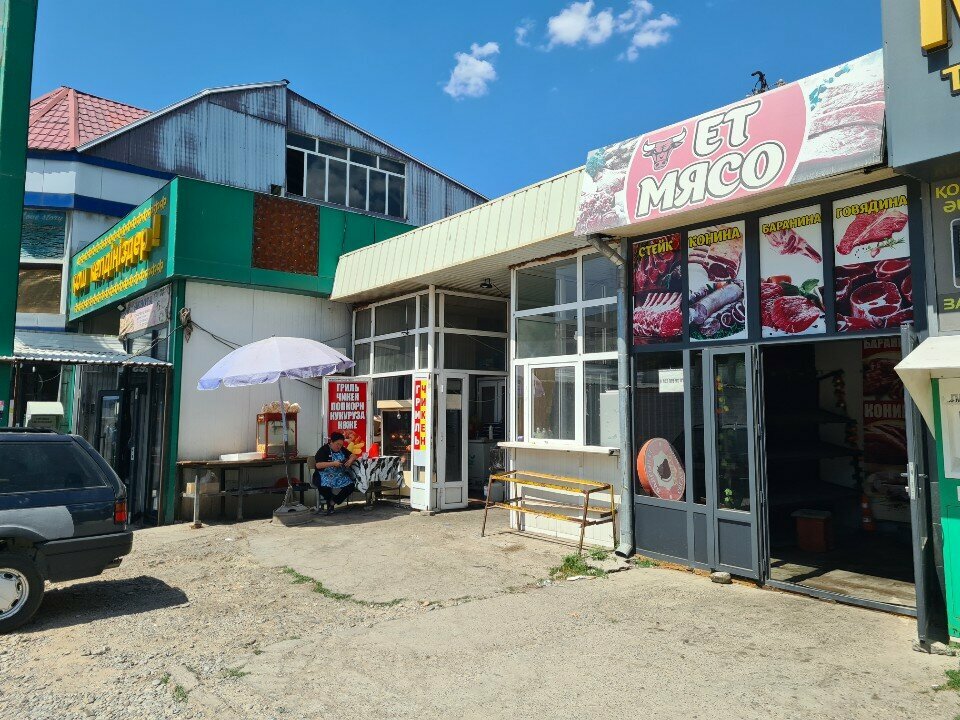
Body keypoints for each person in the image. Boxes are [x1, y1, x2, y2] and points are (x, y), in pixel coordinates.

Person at [313, 432, 357, 515]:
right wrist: (333, 463)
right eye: (337, 444)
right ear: (331, 442)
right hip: (324, 475)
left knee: (351, 486)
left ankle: (333, 502)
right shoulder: (323, 450)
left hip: (339, 475)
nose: (339, 447)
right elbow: (318, 465)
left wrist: (350, 460)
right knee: (324, 487)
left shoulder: (342, 449)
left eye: (341, 445)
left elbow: (353, 455)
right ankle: (329, 504)